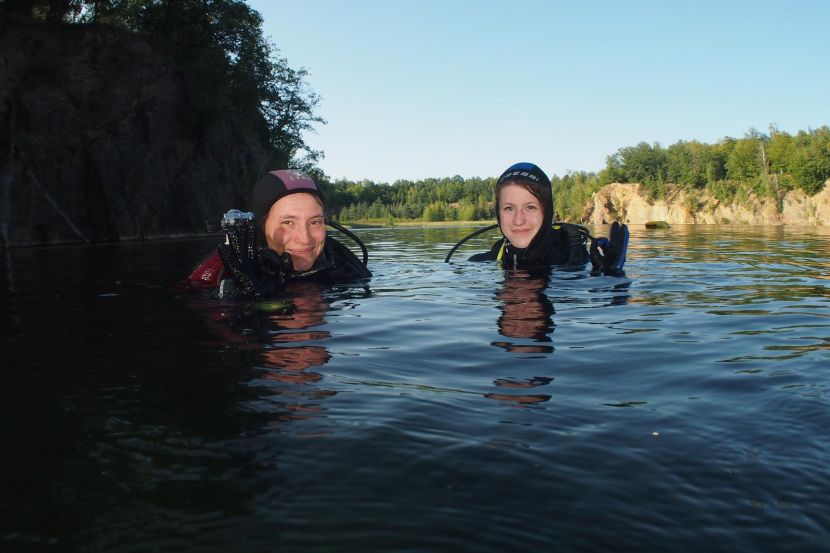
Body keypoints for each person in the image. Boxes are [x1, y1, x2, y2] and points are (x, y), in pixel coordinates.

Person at [188, 169, 371, 297]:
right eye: (288, 222)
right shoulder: (223, 268)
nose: (305, 239)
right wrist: (250, 300)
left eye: (315, 222)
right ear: (261, 227)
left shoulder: (342, 261)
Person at [448, 162, 628, 275]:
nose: (519, 220)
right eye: (509, 208)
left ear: (547, 211)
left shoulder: (576, 260)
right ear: (498, 212)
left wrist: (612, 277)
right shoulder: (481, 263)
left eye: (530, 207)